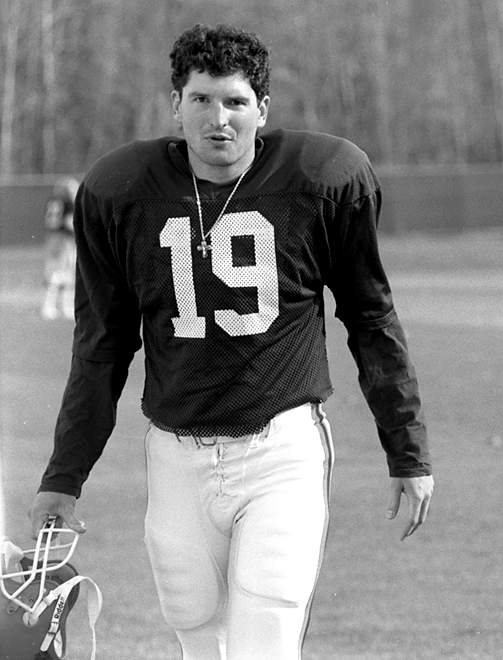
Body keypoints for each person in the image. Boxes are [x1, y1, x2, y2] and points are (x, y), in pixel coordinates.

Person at [28, 23, 433, 659]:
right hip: (175, 452)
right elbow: (102, 346)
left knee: (263, 641)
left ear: (263, 110)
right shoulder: (122, 192)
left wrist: (406, 449)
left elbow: (370, 319)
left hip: (280, 447)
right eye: (202, 100)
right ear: (175, 105)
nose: (219, 119)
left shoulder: (321, 179)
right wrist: (65, 475)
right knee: (195, 633)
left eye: (236, 102)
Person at [40, 176, 79, 320]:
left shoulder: (53, 200)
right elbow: (70, 224)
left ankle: (52, 306)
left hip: (53, 237)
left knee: (56, 272)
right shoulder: (68, 202)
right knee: (64, 274)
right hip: (63, 239)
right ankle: (58, 306)